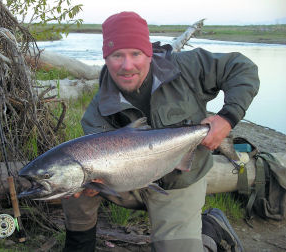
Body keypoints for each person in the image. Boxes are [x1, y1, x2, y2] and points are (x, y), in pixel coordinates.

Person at [62, 11, 259, 252]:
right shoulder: (97, 111)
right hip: (128, 181)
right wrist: (93, 183)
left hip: (179, 182)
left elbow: (242, 68)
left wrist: (228, 117)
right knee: (69, 183)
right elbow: (96, 177)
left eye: (135, 54)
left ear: (148, 53)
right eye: (116, 55)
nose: (127, 65)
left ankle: (212, 227)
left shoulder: (185, 68)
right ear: (105, 57)